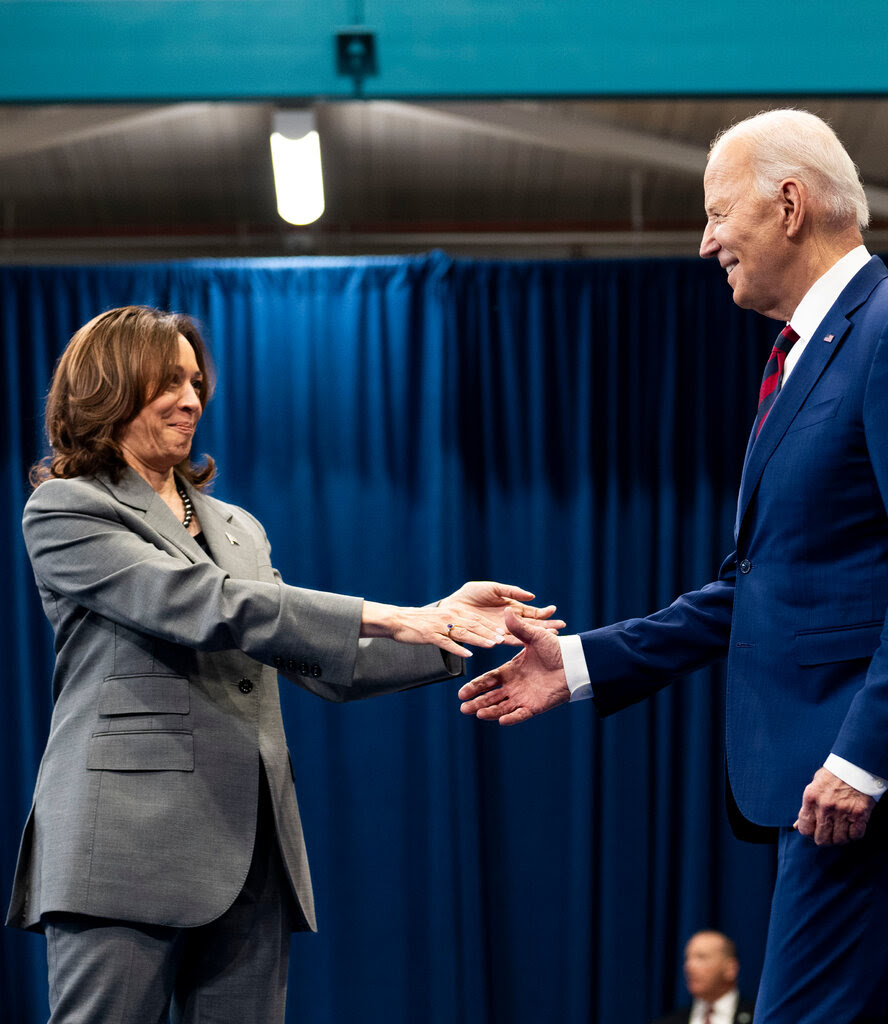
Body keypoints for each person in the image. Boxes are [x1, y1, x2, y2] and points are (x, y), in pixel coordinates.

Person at [459, 109, 888, 1023]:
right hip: (830, 775)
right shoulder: (804, 355)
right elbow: (755, 588)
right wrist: (584, 661)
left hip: (868, 777)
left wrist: (864, 762)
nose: (706, 240)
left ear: (790, 204)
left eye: (718, 213)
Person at [6, 305, 561, 1024]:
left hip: (253, 848)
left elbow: (313, 657)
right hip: (122, 845)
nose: (191, 399)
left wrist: (446, 633)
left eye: (195, 381)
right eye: (166, 382)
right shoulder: (66, 509)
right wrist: (390, 611)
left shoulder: (237, 526)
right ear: (108, 388)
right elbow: (202, 603)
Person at [652, 930, 755, 1024]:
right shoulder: (667, 1021)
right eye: (688, 959)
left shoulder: (758, 1017)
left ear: (730, 969)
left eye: (701, 957)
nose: (689, 967)